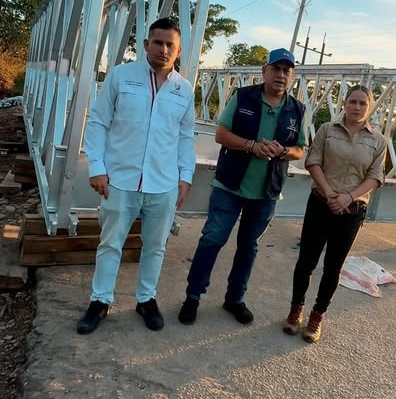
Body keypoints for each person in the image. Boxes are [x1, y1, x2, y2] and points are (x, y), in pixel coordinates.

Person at [77, 17, 195, 335]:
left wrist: (186, 177)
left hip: (164, 183)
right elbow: (99, 121)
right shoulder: (121, 76)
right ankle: (100, 301)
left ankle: (146, 299)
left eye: (170, 44)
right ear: (146, 45)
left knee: (155, 246)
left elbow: (185, 136)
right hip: (120, 180)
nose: (164, 49)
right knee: (110, 243)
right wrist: (97, 168)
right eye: (158, 42)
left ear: (179, 50)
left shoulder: (184, 90)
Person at [179, 48, 306, 326]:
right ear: (265, 71)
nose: (281, 75)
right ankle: (193, 297)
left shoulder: (297, 109)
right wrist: (251, 146)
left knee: (249, 247)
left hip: (266, 192)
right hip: (230, 186)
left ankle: (234, 299)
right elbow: (221, 134)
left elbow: (300, 150)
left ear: (292, 76)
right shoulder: (243, 96)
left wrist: (283, 151)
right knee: (212, 239)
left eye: (287, 71)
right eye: (276, 69)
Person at [283, 85, 386, 343]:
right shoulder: (327, 130)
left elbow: (375, 176)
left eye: (363, 103)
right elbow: (312, 161)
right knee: (306, 261)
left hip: (351, 210)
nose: (357, 107)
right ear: (345, 103)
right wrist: (330, 194)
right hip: (320, 203)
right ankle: (296, 310)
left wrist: (347, 198)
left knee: (333, 267)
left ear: (369, 106)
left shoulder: (378, 140)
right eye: (353, 101)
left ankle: (317, 316)